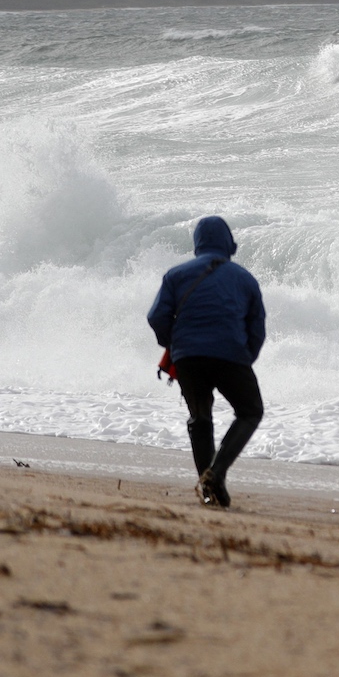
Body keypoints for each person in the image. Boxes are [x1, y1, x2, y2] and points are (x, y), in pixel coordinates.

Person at [147, 216, 266, 508]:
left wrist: (174, 344)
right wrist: (245, 356)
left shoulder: (176, 275)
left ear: (197, 244)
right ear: (229, 244)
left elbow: (156, 317)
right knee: (250, 411)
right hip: (231, 357)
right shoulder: (244, 278)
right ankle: (218, 472)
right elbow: (257, 327)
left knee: (200, 418)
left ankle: (210, 487)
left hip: (189, 359)